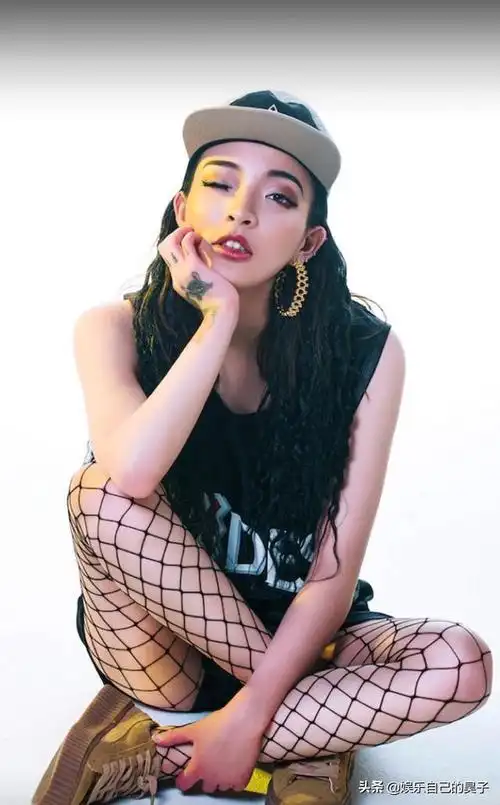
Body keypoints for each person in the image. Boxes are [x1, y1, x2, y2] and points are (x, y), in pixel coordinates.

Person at [33, 90, 493, 805]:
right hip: (163, 645)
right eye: (219, 185)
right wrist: (215, 319)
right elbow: (132, 473)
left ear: (309, 242)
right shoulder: (112, 328)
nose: (242, 211)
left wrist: (252, 711)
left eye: (279, 197)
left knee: (462, 663)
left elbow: (332, 576)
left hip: (306, 632)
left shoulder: (365, 352)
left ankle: (165, 746)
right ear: (182, 209)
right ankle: (311, 734)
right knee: (97, 494)